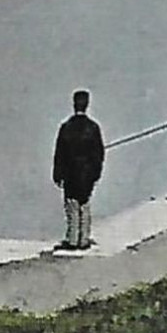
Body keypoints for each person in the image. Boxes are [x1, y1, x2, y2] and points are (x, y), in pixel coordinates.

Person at [52, 89, 104, 252]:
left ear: (74, 104)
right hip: (87, 173)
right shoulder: (93, 128)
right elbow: (99, 154)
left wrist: (57, 175)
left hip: (71, 173)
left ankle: (72, 239)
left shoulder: (66, 127)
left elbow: (59, 153)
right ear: (87, 105)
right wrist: (96, 174)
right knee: (85, 204)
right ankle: (84, 238)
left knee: (72, 205)